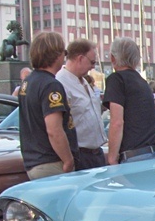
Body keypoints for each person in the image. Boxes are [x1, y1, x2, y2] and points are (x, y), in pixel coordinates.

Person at [18, 32, 77, 180]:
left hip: (34, 160)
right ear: (56, 54)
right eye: (64, 52)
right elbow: (54, 130)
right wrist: (68, 160)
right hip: (52, 162)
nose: (65, 56)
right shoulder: (51, 85)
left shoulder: (28, 82)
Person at [103, 37, 155, 165]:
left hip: (134, 156)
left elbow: (117, 122)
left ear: (113, 58)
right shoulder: (143, 83)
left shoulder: (116, 80)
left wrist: (112, 158)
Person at [56, 39, 107, 170]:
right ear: (80, 58)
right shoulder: (60, 83)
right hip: (80, 154)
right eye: (92, 62)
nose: (93, 67)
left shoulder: (84, 81)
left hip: (96, 153)